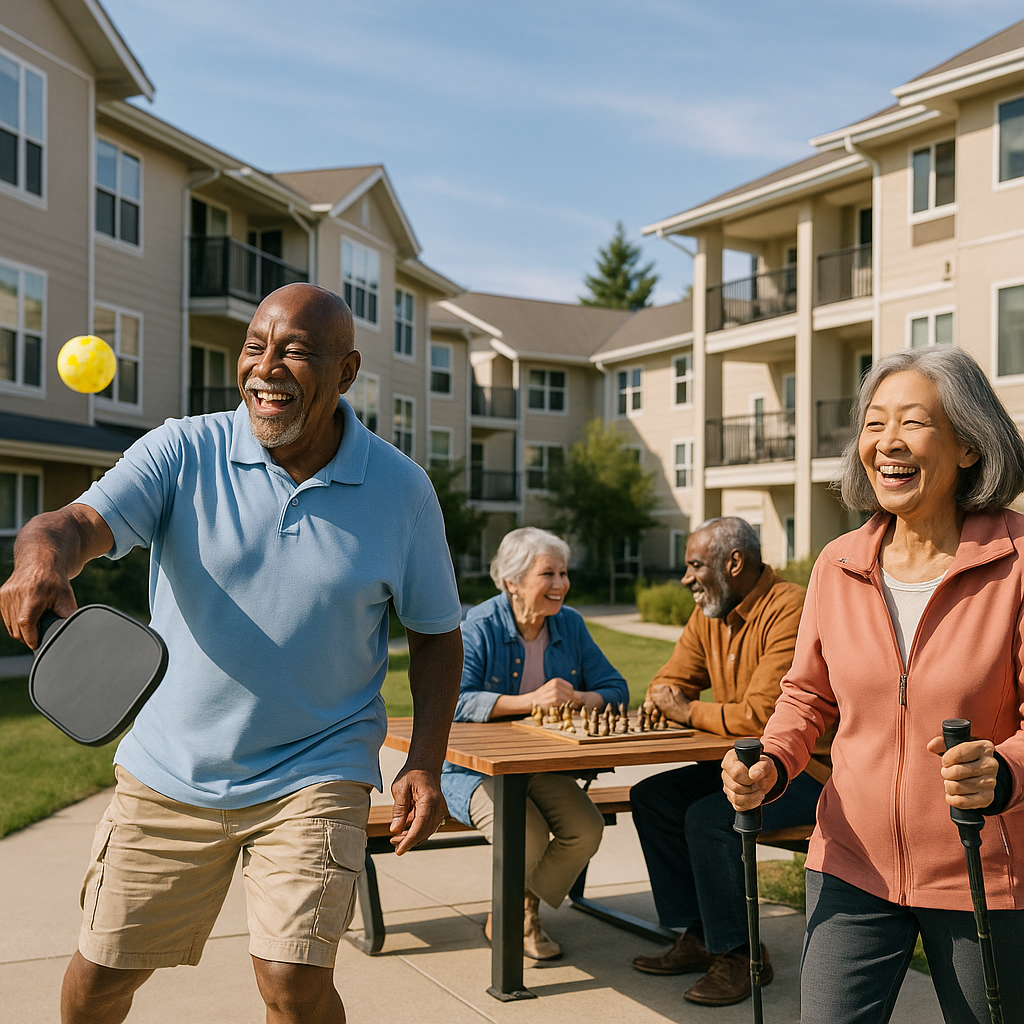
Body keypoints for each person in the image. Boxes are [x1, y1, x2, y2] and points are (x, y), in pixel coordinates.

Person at [0, 283, 464, 1024]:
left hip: (317, 765)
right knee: (100, 981)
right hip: (172, 766)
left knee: (293, 981)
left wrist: (425, 761)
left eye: (296, 352)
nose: (266, 367)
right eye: (255, 346)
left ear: (346, 373)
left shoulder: (402, 490)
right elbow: (74, 523)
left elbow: (436, 634)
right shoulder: (183, 450)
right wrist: (40, 557)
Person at [723, 347, 1024, 1023]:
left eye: (913, 422)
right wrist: (772, 761)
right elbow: (807, 695)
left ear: (969, 446)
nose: (887, 441)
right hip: (850, 862)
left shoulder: (1018, 561)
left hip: (982, 868)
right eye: (873, 422)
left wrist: (1004, 770)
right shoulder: (838, 564)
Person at [630, 516, 827, 1007]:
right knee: (651, 797)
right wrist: (669, 696)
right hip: (739, 767)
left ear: (734, 563)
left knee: (710, 819)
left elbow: (763, 717)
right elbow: (668, 681)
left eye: (696, 565)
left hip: (804, 771)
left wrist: (688, 711)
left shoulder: (790, 608)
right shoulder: (710, 613)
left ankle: (741, 955)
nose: (686, 578)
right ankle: (701, 934)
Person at [440, 527, 628, 960]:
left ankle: (519, 906)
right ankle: (520, 919)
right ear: (512, 581)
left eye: (564, 573)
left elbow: (616, 689)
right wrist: (529, 701)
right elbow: (453, 700)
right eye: (548, 574)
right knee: (525, 834)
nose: (561, 583)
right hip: (471, 770)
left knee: (586, 829)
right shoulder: (481, 625)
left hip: (539, 766)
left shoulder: (570, 623)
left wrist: (579, 698)